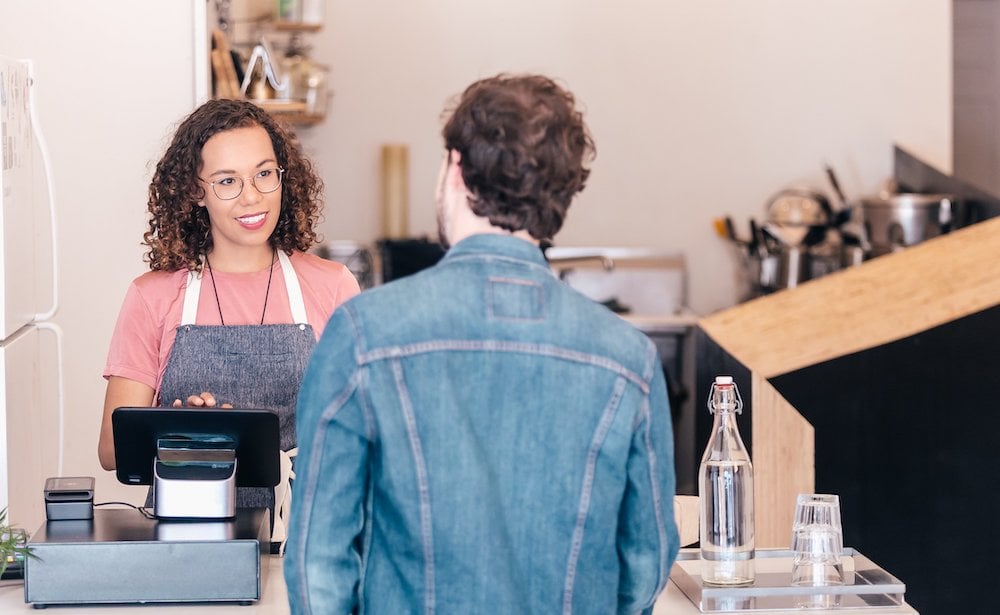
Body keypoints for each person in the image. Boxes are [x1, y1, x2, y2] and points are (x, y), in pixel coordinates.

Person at [285, 74, 680, 614]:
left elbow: (318, 561)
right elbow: (645, 562)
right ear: (562, 193)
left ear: (454, 168)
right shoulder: (627, 358)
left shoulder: (363, 334)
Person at [97, 99, 360, 512]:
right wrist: (182, 429)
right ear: (195, 191)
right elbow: (113, 452)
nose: (251, 198)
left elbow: (366, 431)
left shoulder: (332, 287)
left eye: (264, 174)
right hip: (185, 537)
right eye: (226, 181)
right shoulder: (154, 296)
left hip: (308, 528)